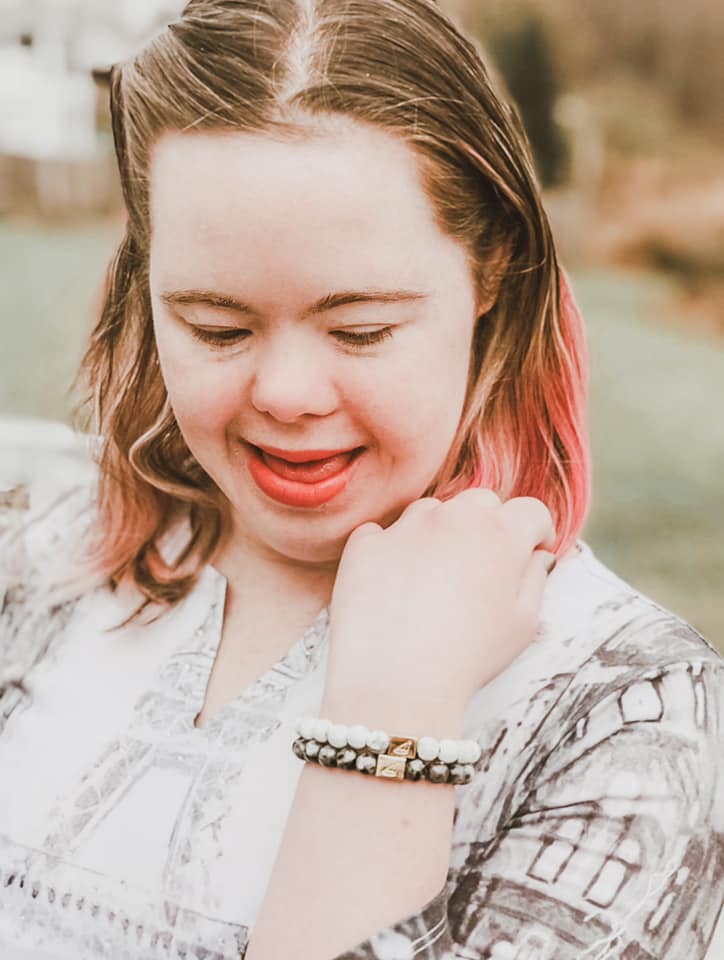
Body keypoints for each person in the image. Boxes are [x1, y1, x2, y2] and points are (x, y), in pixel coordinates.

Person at [0, 1, 722, 957]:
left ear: (491, 273)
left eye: (361, 329)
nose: (289, 392)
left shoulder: (633, 716)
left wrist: (392, 728)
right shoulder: (35, 551)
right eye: (217, 327)